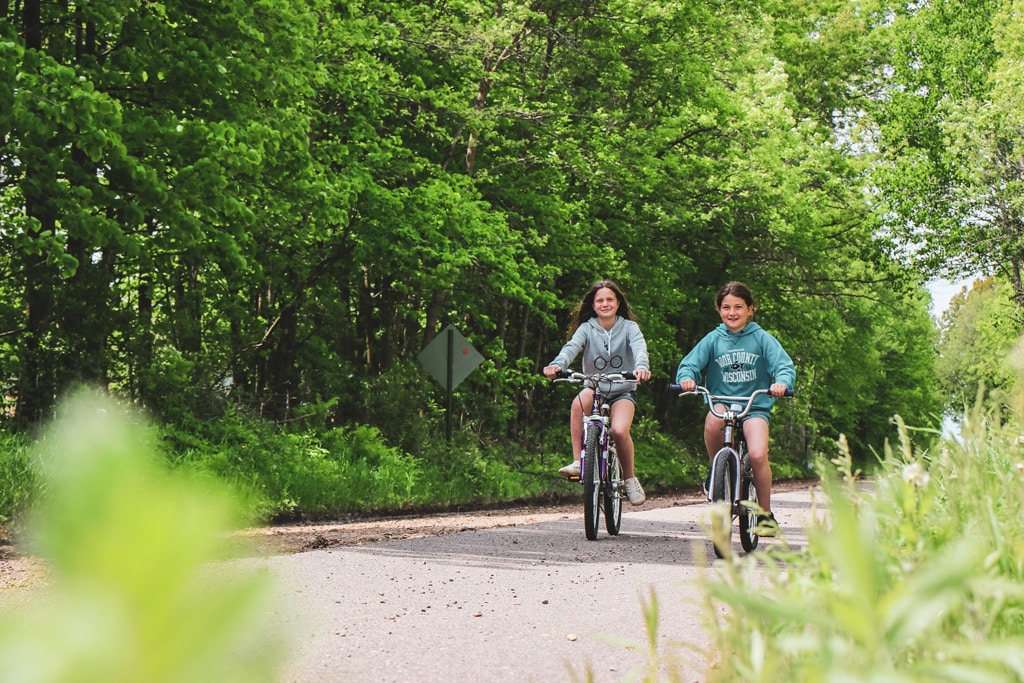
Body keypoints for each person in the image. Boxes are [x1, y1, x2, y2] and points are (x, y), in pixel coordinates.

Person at [675, 281, 795, 535]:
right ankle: (716, 474)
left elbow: (783, 366)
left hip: (754, 406)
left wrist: (781, 383)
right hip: (721, 402)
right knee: (712, 422)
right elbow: (690, 365)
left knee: (759, 454)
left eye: (738, 307)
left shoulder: (762, 338)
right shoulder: (713, 339)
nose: (732, 312)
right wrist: (687, 379)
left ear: (750, 309)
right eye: (726, 307)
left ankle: (764, 513)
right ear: (719, 310)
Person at [543, 279, 651, 505]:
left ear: (618, 303)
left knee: (620, 431)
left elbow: (640, 348)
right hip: (594, 386)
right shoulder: (587, 328)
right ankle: (578, 461)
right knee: (577, 404)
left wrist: (641, 367)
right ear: (593, 306)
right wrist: (557, 364)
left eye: (609, 299)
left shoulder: (629, 328)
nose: (605, 304)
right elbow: (571, 347)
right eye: (599, 300)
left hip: (622, 390)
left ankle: (630, 479)